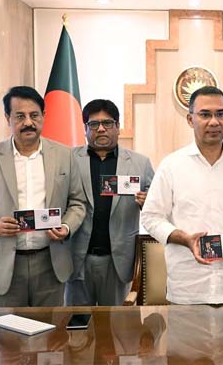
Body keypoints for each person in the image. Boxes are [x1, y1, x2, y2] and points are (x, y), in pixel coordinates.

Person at [141, 86, 223, 305]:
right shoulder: (171, 165)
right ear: (190, 119)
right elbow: (151, 216)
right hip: (187, 289)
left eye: (220, 114)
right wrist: (184, 239)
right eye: (205, 114)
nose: (214, 122)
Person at [0, 85, 86, 307]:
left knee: (50, 329)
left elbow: (78, 203)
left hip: (51, 263)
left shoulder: (65, 155)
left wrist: (66, 227)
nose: (28, 122)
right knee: (5, 329)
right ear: (7, 118)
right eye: (20, 116)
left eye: (34, 115)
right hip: (4, 265)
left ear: (44, 116)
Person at [65, 99, 155, 306]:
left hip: (118, 259)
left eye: (107, 123)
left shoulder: (140, 163)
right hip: (77, 257)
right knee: (76, 322)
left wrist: (147, 202)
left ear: (118, 126)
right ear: (85, 128)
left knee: (116, 323)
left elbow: (158, 203)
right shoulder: (68, 159)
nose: (101, 129)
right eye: (94, 124)